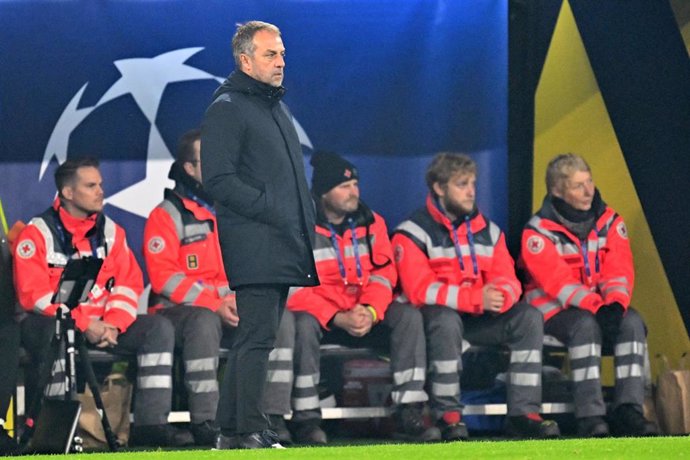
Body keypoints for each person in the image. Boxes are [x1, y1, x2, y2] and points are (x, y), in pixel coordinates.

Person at [13, 157, 193, 448]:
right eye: (91, 185)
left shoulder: (111, 232)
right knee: (55, 332)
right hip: (54, 324)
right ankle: (59, 434)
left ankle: (151, 426)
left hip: (106, 326)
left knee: (158, 328)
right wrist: (84, 325)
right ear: (68, 193)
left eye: (101, 184)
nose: (100, 191)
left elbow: (128, 284)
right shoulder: (38, 233)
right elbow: (34, 296)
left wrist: (114, 325)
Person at [201, 20, 318, 449]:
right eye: (271, 54)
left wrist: (296, 216)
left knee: (257, 337)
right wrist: (271, 208)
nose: (281, 62)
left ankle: (232, 431)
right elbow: (218, 179)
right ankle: (250, 427)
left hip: (278, 239)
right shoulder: (228, 107)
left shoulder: (272, 106)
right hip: (255, 240)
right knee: (256, 337)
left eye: (282, 53)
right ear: (245, 60)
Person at [391, 152, 560, 440]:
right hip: (437, 320)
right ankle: (449, 415)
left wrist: (501, 297)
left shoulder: (489, 230)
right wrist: (475, 299)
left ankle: (524, 414)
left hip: (481, 319)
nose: (471, 191)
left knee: (528, 316)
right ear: (439, 188)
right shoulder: (411, 232)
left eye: (472, 183)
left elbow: (508, 279)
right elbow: (420, 291)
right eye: (462, 184)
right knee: (444, 319)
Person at [288, 151, 437, 444]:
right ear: (323, 192)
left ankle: (409, 411)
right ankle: (306, 420)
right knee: (301, 323)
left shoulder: (372, 222)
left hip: (365, 313)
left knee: (407, 316)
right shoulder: (297, 225)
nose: (353, 192)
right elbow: (293, 288)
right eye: (344, 186)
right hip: (325, 317)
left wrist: (369, 310)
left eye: (355, 184)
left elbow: (384, 276)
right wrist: (336, 316)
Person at [518, 153, 657, 437]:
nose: (588, 191)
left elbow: (618, 270)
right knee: (585, 326)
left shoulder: (610, 220)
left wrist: (616, 305)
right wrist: (598, 306)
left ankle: (628, 410)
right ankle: (590, 415)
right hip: (553, 312)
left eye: (589, 181)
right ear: (557, 191)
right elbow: (558, 283)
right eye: (578, 186)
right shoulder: (537, 231)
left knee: (632, 322)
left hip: (599, 306)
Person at [143, 129, 239, 446]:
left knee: (273, 317)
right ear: (189, 168)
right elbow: (164, 279)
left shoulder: (231, 210)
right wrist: (215, 303)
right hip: (176, 313)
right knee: (203, 320)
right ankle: (206, 423)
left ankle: (269, 420)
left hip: (228, 308)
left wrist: (240, 298)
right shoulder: (165, 215)